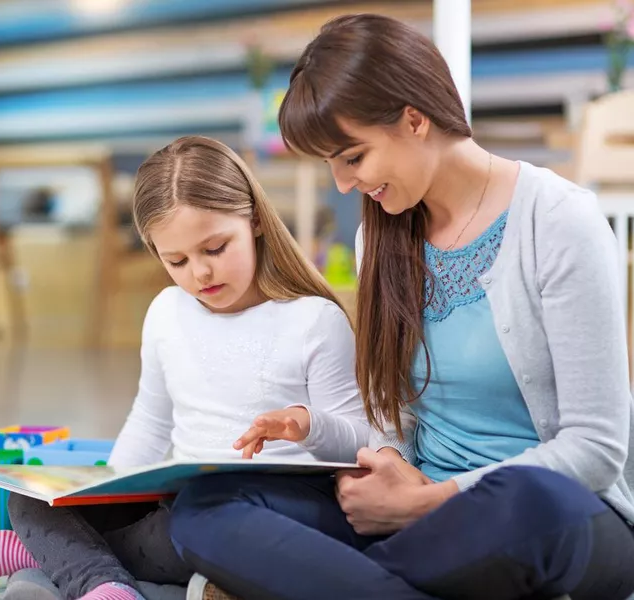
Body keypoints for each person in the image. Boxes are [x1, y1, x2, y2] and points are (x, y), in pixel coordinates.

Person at [168, 14, 634, 600]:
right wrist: (387, 460)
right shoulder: (381, 237)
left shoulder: (559, 220)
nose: (342, 184)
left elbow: (595, 449)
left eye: (353, 157)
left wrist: (426, 502)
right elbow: (395, 409)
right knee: (205, 507)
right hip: (419, 524)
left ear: (415, 119)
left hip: (549, 516)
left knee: (530, 505)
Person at [0, 135, 381, 600]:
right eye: (177, 260)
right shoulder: (166, 311)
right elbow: (150, 418)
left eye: (216, 248)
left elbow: (360, 442)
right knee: (28, 497)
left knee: (196, 524)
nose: (200, 274)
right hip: (176, 503)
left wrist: (306, 425)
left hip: (263, 513)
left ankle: (61, 560)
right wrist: (105, 489)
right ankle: (102, 581)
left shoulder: (312, 320)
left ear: (256, 222)